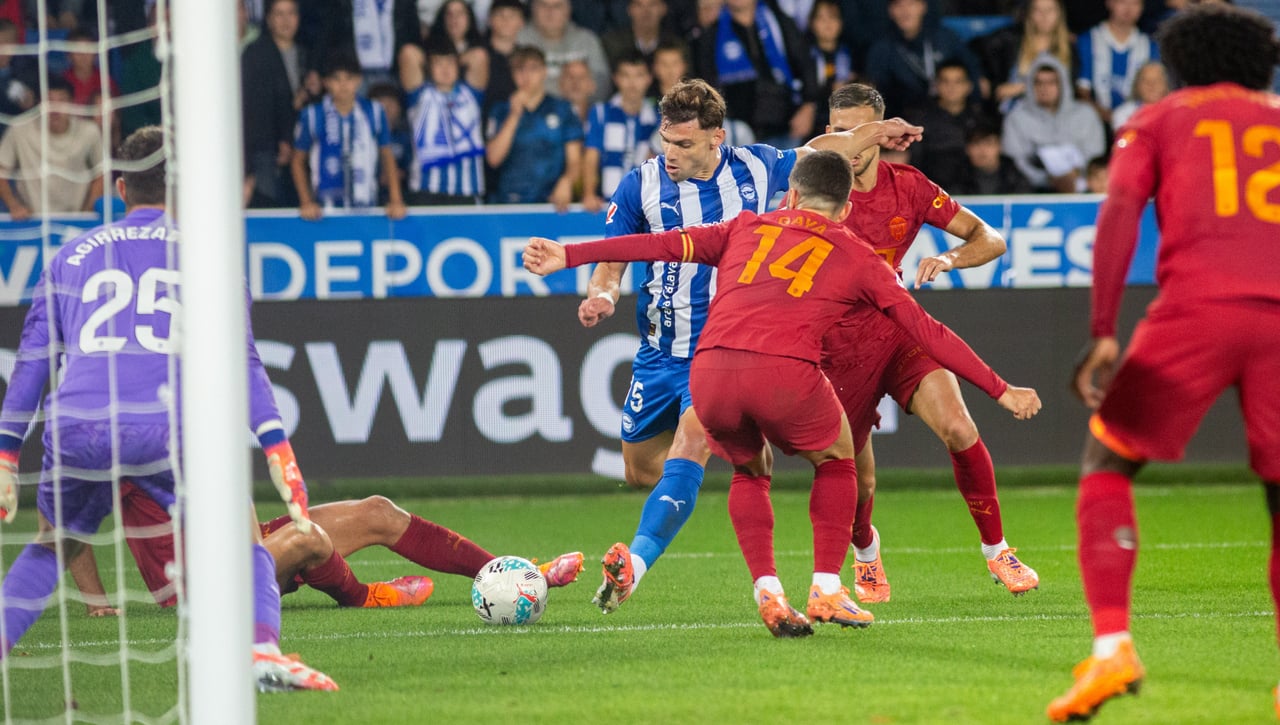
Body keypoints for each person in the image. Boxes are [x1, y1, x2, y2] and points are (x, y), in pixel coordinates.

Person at [523, 150, 1042, 635]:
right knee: (839, 460)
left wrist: (569, 254)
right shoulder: (858, 255)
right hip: (783, 373)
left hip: (710, 370)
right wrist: (1000, 389)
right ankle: (827, 589)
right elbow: (928, 331)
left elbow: (656, 245)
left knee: (751, 469)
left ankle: (768, 588)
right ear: (843, 209)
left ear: (790, 195)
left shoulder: (743, 226)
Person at [0, 126, 336, 692]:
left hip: (76, 422)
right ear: (175, 184)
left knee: (52, 546)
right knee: (245, 540)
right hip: (165, 423)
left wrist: (7, 454)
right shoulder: (208, 255)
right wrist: (276, 442)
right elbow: (243, 361)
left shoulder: (67, 257)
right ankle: (260, 651)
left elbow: (32, 362)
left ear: (120, 187)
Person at [574, 77, 922, 614]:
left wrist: (880, 130)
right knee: (644, 471)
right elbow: (613, 260)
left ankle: (634, 567)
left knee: (691, 448)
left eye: (684, 144)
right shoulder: (639, 184)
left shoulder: (759, 167)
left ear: (716, 138)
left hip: (723, 346)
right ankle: (725, 472)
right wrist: (602, 292)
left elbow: (829, 151)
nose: (670, 153)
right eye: (666, 140)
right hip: (659, 349)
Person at [1047, 6, 1280, 721]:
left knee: (1107, 459)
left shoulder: (1159, 118)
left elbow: (1120, 211)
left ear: (1181, 62)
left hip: (1195, 315)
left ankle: (1113, 646)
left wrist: (1103, 330)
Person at [820, 83, 1039, 602]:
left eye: (859, 130)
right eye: (839, 131)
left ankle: (998, 551)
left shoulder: (911, 187)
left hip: (898, 334)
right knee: (860, 484)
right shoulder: (813, 189)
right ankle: (867, 553)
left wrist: (949, 259)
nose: (848, 142)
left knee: (960, 428)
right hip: (838, 349)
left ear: (881, 134)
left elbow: (991, 238)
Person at [67, 489, 586, 613]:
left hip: (242, 550)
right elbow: (65, 515)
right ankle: (364, 596)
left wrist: (256, 549)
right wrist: (94, 599)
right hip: (192, 583)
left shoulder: (183, 396)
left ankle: (519, 574)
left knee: (378, 511)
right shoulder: (121, 420)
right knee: (307, 539)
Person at [291, 53, 407, 220]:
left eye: (349, 78)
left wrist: (396, 200)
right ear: (326, 82)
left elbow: (387, 156)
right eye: (336, 79)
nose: (343, 85)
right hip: (324, 211)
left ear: (359, 80)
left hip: (367, 206)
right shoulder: (312, 114)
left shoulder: (374, 111)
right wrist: (306, 201)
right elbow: (297, 160)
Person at [693, 0, 818, 148]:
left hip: (785, 126)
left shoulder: (778, 21)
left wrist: (809, 106)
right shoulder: (712, 33)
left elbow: (805, 62)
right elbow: (706, 84)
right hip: (736, 135)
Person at [485, 45, 583, 208]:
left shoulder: (563, 109)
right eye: (520, 70)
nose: (526, 76)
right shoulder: (501, 110)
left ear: (544, 71)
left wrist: (567, 181)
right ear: (513, 74)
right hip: (508, 202)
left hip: (550, 202)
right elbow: (493, 159)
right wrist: (514, 115)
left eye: (533, 69)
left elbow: (575, 160)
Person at [0, 76, 104, 218]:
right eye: (49, 101)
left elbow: (101, 173)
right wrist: (14, 206)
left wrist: (88, 209)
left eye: (61, 100)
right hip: (31, 220)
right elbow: (1, 171)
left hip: (76, 219)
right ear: (39, 104)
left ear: (72, 103)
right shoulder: (19, 129)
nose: (55, 109)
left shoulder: (89, 131)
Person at [1001, 54, 1107, 193]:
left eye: (1051, 82)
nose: (1044, 88)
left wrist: (1075, 175)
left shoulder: (1086, 114)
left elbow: (1096, 156)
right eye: (1038, 82)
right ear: (1030, 85)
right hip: (1032, 191)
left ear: (1063, 84)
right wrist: (1047, 179)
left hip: (1083, 189)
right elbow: (1015, 161)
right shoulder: (1016, 118)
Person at [863, 0, 985, 118]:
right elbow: (877, 91)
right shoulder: (881, 48)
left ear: (923, 7)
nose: (905, 11)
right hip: (905, 118)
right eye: (898, 5)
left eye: (911, 4)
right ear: (890, 11)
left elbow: (972, 67)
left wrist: (975, 102)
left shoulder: (944, 37)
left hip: (952, 114)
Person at [402, 38, 487, 204]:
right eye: (438, 64)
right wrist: (431, 59)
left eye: (450, 63)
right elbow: (408, 53)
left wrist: (455, 56)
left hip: (467, 189)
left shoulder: (470, 94)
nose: (445, 69)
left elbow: (480, 56)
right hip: (425, 188)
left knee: (465, 231)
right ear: (428, 68)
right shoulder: (420, 95)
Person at [581, 51, 659, 212]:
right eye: (626, 76)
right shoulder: (600, 112)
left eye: (638, 76)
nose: (632, 83)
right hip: (606, 202)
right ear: (616, 79)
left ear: (648, 79)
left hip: (645, 205)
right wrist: (588, 193)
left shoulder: (659, 117)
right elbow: (591, 156)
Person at [906, 60, 995, 190]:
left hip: (977, 189)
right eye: (945, 81)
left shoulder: (982, 117)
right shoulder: (919, 120)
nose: (951, 87)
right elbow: (914, 161)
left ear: (969, 86)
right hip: (932, 190)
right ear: (936, 85)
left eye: (958, 82)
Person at [1075, 0, 1159, 127]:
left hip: (1138, 124)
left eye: (1135, 3)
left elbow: (1157, 93)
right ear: (1109, 3)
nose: (1128, 8)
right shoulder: (1088, 40)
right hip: (1096, 123)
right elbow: (1082, 92)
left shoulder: (1150, 46)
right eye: (1122, 2)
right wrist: (1106, 116)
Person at [515, 0, 609, 104]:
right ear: (533, 9)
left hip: (583, 111)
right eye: (543, 5)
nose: (550, 12)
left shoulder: (587, 40)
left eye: (557, 6)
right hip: (533, 111)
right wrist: (571, 90)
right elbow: (516, 82)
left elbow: (602, 82)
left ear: (568, 10)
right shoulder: (518, 39)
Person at [950, 123, 1033, 196]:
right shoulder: (955, 178)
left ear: (999, 147)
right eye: (976, 144)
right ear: (967, 149)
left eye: (989, 144)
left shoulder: (1015, 178)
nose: (982, 150)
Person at [1110, 59, 1169, 129]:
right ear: (1137, 85)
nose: (1151, 85)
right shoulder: (1122, 114)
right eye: (1145, 80)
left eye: (1158, 80)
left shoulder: (1177, 112)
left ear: (1167, 85)